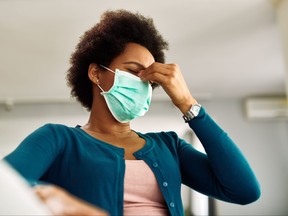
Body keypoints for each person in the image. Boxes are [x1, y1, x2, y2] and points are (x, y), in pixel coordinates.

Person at [3, 9, 260, 216]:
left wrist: (188, 104)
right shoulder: (58, 140)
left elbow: (244, 191)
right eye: (133, 71)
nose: (142, 84)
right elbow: (6, 189)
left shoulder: (169, 146)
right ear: (96, 73)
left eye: (149, 79)